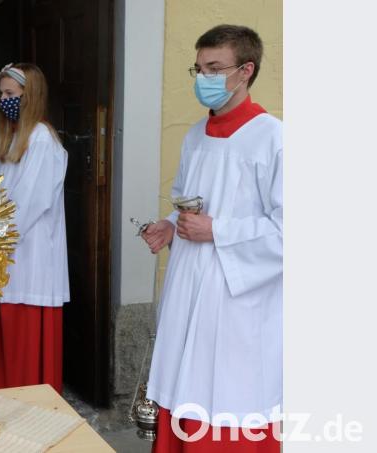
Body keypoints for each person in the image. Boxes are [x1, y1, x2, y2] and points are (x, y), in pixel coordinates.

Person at [141, 25, 282, 452]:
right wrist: (171, 224)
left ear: (246, 71)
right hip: (188, 287)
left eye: (215, 68)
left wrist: (217, 230)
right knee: (184, 382)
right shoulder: (194, 135)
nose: (203, 78)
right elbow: (187, 200)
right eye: (199, 68)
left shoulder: (274, 139)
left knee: (227, 395)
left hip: (235, 301)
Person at [0, 63, 70, 394]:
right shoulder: (11, 138)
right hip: (5, 259)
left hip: (30, 261)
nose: (3, 100)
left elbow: (28, 204)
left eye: (10, 93)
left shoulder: (41, 140)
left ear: (29, 96)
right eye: (1, 93)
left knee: (26, 353)